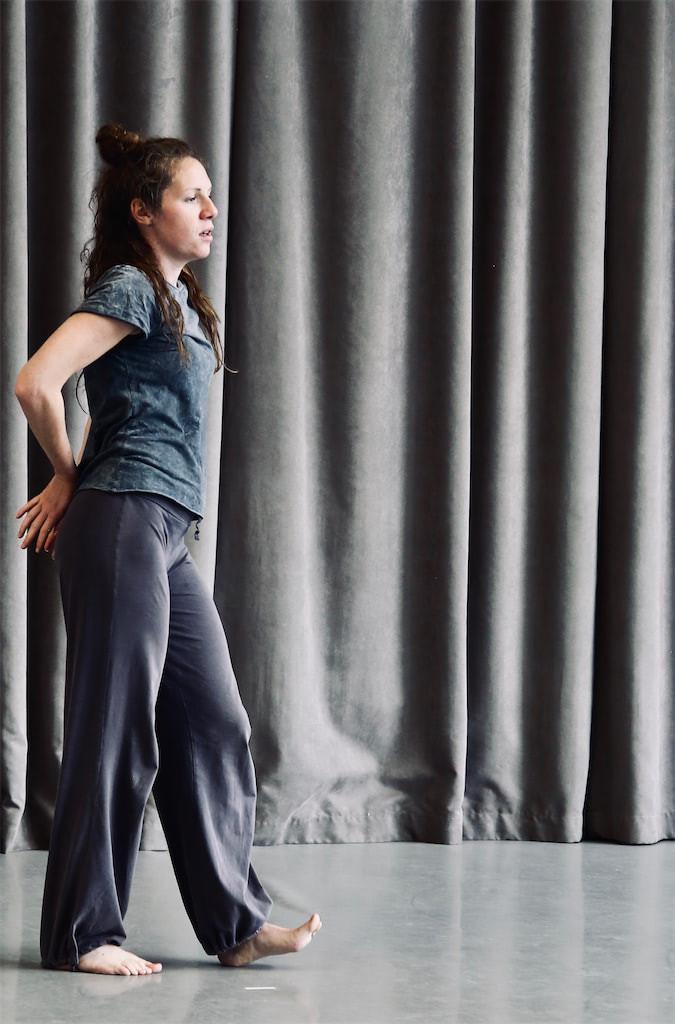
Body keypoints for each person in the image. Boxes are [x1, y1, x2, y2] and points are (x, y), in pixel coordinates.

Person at [15, 124, 321, 976]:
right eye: (193, 196)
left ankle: (234, 926)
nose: (210, 208)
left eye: (210, 195)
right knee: (116, 725)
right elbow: (37, 383)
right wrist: (70, 475)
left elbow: (104, 403)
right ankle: (84, 934)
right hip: (120, 522)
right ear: (144, 211)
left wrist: (83, 471)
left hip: (161, 534)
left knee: (212, 720)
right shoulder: (130, 285)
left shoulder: (177, 295)